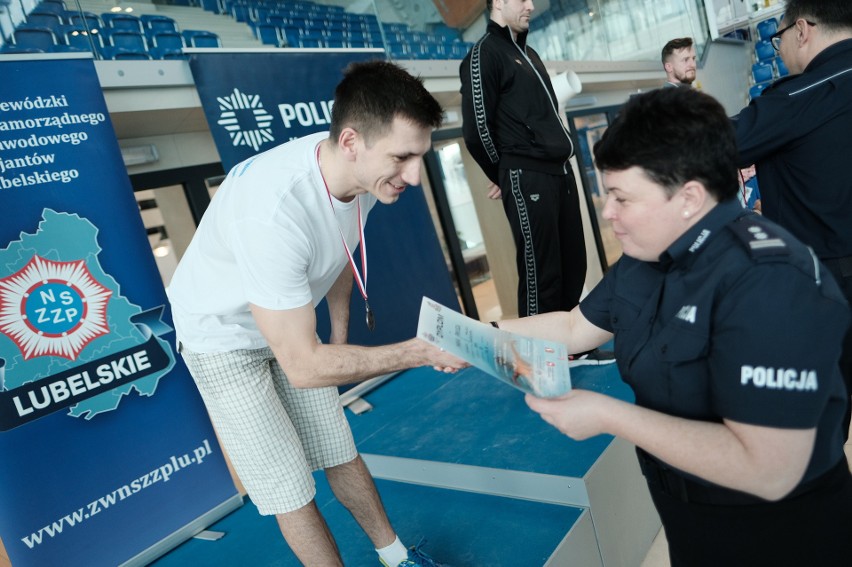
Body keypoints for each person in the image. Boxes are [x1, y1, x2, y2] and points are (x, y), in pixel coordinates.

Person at [496, 87, 852, 565]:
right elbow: (573, 328)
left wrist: (607, 415)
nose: (608, 213)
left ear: (689, 197)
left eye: (621, 197)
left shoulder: (767, 280)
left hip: (781, 534)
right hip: (689, 521)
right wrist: (479, 333)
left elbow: (769, 469)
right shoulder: (645, 257)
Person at [166, 60, 464, 567]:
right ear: (352, 142)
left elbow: (338, 251)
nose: (413, 175)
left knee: (336, 446)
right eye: (402, 158)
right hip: (222, 341)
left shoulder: (362, 173)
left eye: (420, 157)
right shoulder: (273, 211)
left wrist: (339, 332)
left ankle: (396, 558)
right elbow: (304, 368)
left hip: (289, 322)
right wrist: (415, 352)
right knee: (289, 485)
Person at [733, 0, 852, 438]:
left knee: (823, 415)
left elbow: (719, 144)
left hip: (829, 275)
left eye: (777, 37)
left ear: (802, 29)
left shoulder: (801, 95)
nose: (778, 49)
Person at [458, 0, 590, 324]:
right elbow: (476, 131)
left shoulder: (530, 56)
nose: (531, 5)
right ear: (499, 3)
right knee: (540, 275)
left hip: (561, 172)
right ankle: (539, 362)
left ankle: (571, 347)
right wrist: (504, 173)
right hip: (529, 175)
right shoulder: (484, 54)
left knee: (574, 266)